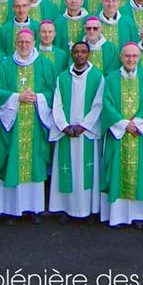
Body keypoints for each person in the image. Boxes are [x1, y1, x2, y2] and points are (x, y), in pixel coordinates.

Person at [0, 30, 55, 225]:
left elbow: (52, 90)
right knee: (12, 161)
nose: (24, 45)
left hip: (35, 121)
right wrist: (17, 97)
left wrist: (38, 97)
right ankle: (10, 210)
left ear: (34, 42)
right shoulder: (5, 65)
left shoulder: (44, 64)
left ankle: (34, 209)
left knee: (34, 162)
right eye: (20, 42)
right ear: (15, 43)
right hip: (12, 123)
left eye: (27, 42)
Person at [100, 43, 143, 227]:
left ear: (139, 57)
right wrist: (124, 124)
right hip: (119, 133)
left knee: (141, 170)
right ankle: (117, 216)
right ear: (121, 57)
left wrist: (137, 124)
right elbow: (107, 103)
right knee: (117, 170)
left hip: (140, 134)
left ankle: (141, 215)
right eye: (127, 56)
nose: (131, 59)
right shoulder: (111, 79)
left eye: (134, 56)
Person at [49, 42, 105, 222]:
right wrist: (64, 125)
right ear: (72, 54)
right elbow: (56, 103)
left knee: (86, 171)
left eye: (83, 52)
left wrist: (84, 126)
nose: (80, 55)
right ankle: (66, 209)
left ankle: (89, 210)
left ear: (89, 54)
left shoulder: (97, 76)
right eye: (76, 52)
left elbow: (98, 104)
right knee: (66, 170)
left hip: (86, 133)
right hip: (66, 132)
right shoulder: (62, 77)